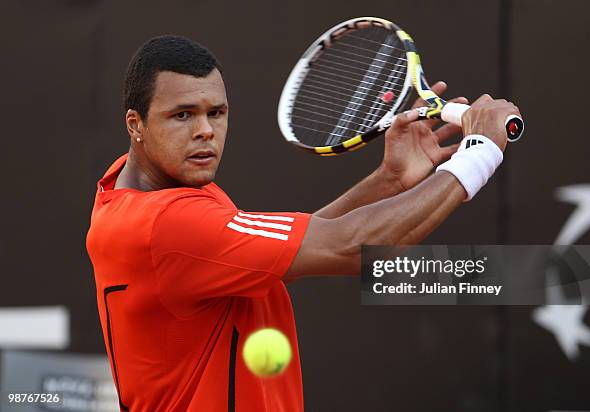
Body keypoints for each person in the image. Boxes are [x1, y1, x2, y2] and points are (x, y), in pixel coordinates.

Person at [86, 35, 520, 411]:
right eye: (182, 115)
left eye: (215, 113)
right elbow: (348, 248)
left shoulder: (136, 188)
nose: (205, 131)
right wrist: (479, 152)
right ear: (135, 123)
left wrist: (390, 181)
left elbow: (292, 249)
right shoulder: (169, 223)